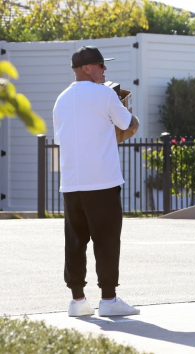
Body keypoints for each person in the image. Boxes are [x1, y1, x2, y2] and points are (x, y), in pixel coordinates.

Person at [53, 46, 140, 317]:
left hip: (71, 184)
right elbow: (129, 124)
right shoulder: (105, 93)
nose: (105, 70)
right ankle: (109, 300)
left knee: (75, 242)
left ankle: (77, 301)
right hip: (102, 181)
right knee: (107, 241)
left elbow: (67, 139)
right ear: (87, 68)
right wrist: (122, 105)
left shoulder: (61, 99)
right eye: (101, 65)